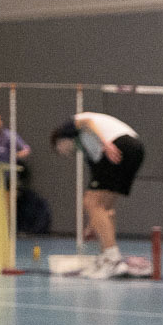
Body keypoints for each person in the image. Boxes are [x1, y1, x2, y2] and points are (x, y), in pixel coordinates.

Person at [52, 112, 146, 279]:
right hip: (136, 150)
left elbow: (87, 121)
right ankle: (107, 257)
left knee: (90, 202)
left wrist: (106, 143)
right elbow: (103, 206)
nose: (65, 152)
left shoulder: (68, 127)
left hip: (118, 145)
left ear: (60, 140)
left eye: (61, 149)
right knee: (105, 207)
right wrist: (92, 225)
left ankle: (112, 259)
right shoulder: (90, 150)